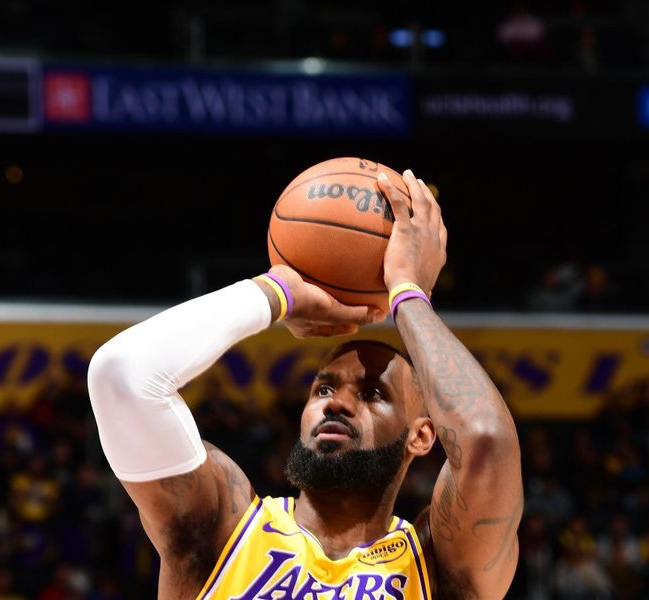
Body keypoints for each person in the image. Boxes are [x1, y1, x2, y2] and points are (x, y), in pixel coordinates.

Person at [87, 169, 523, 599]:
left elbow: (486, 440)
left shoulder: (437, 566)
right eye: (324, 390)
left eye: (373, 393)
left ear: (422, 435)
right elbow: (121, 376)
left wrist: (408, 293)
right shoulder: (221, 530)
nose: (337, 405)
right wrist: (277, 292)